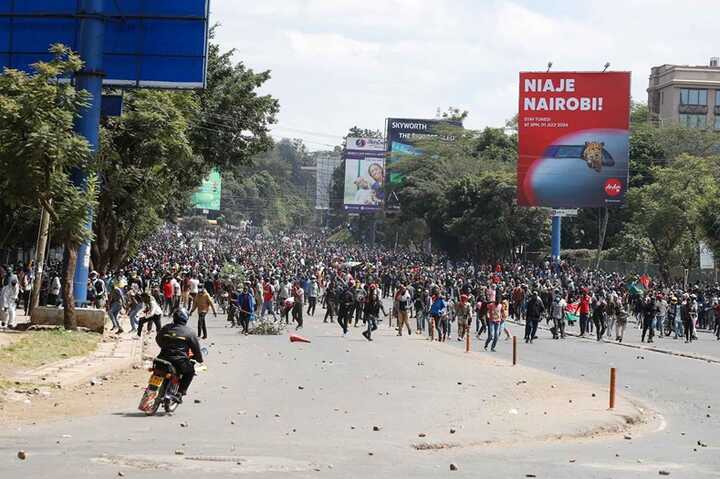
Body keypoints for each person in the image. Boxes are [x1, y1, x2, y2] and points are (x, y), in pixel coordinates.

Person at [155, 308, 204, 401]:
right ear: (186, 318)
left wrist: (164, 347)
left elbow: (158, 339)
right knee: (190, 372)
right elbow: (196, 349)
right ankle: (180, 393)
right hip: (179, 361)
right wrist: (199, 359)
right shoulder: (189, 332)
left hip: (161, 358)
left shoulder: (166, 328)